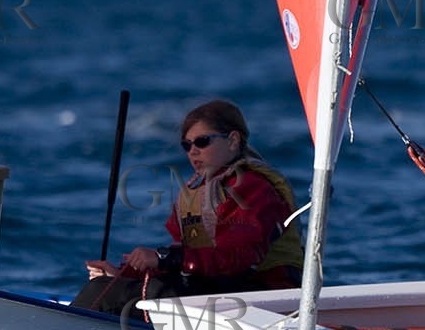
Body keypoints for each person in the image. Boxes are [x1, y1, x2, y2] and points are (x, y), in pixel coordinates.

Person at [74, 99, 304, 315]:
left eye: (202, 142)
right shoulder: (195, 193)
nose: (193, 151)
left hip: (265, 298)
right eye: (187, 145)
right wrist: (123, 274)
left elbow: (239, 258)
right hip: (222, 290)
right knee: (109, 287)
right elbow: (190, 258)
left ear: (233, 140)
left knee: (154, 292)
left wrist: (164, 258)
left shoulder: (253, 188)